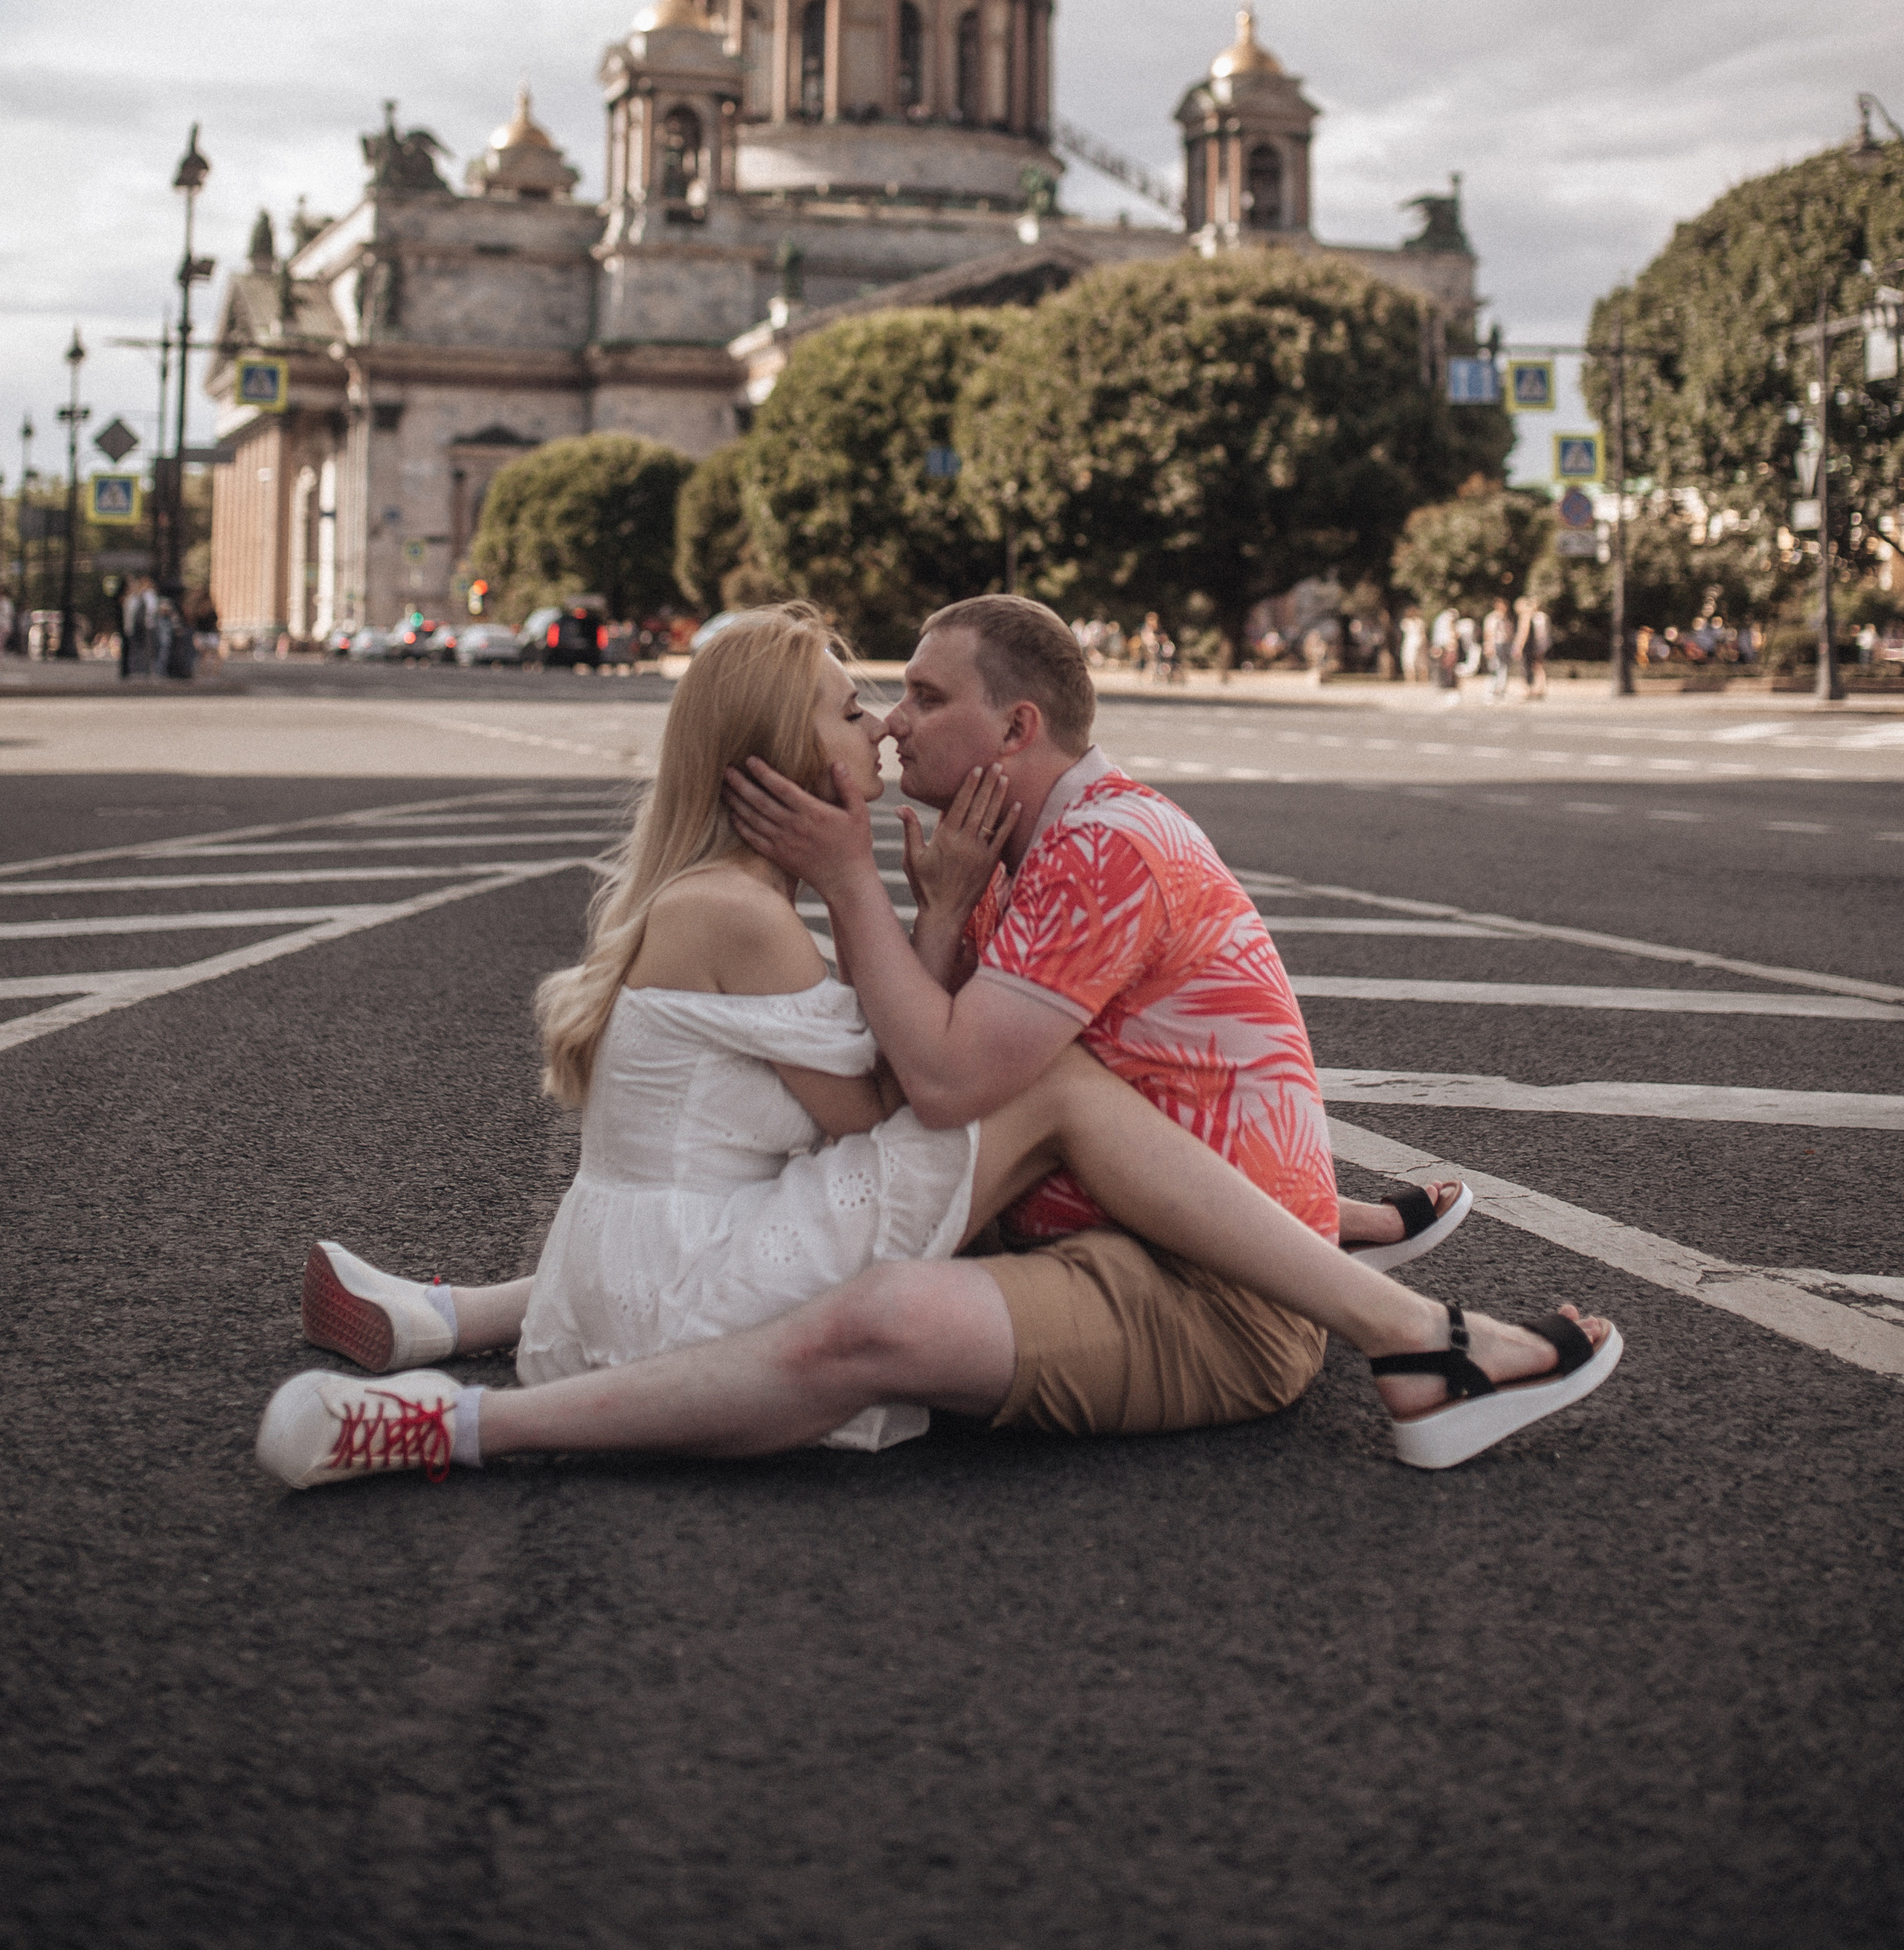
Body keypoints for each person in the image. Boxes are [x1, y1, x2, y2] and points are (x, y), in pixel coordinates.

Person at [258, 601, 1620, 1491]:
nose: (889, 727)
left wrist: (885, 894)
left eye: (910, 700)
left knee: (1030, 1107)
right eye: (864, 707)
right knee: (1023, 1116)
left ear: (1016, 731)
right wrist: (929, 903)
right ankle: (1402, 1315)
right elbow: (913, 1096)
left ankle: (1388, 1306)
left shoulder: (1086, 854)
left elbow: (941, 1084)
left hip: (1205, 1287)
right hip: (1070, 1243)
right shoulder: (860, 886)